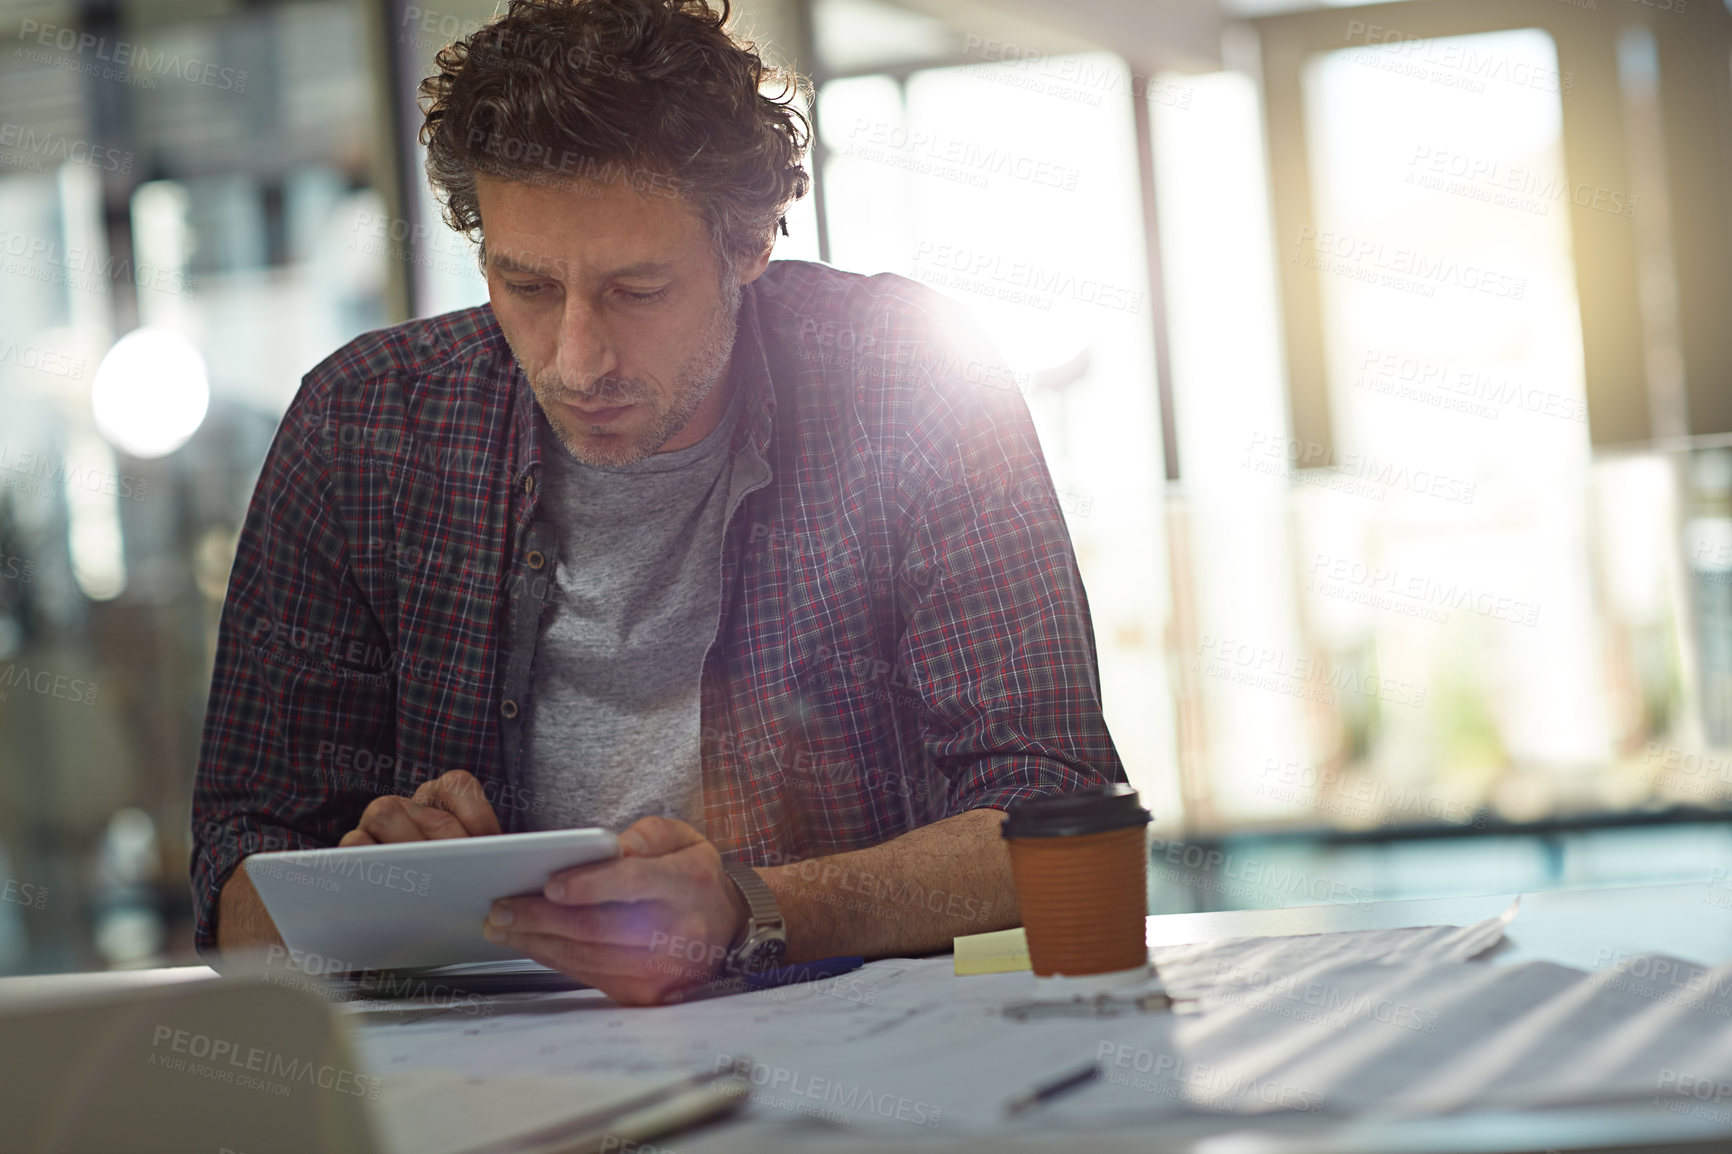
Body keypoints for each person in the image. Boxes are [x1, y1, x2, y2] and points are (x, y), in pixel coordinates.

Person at [191, 0, 1125, 1005]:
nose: (576, 358)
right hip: (488, 1080)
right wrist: (370, 889)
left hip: (858, 1064)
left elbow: (1062, 825)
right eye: (528, 285)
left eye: (637, 290)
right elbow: (235, 883)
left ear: (750, 244)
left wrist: (752, 906)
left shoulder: (911, 379)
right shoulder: (362, 427)